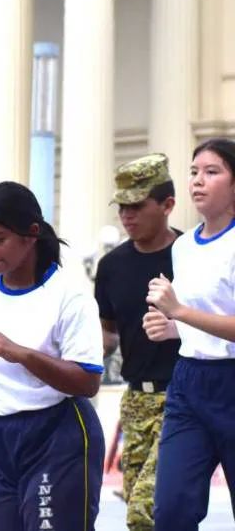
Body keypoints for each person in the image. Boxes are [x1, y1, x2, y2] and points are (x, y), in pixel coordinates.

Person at [0, 181, 105, 531]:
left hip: (56, 434)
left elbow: (88, 381)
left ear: (31, 234)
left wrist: (23, 354)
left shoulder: (69, 295)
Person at [143, 138, 235, 529]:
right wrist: (173, 328)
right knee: (171, 509)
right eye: (194, 172)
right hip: (188, 384)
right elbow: (205, 319)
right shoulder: (183, 247)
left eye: (212, 172)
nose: (198, 181)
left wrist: (179, 311)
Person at [93, 153, 181, 530]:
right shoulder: (111, 266)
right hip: (135, 399)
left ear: (167, 206)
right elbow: (108, 331)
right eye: (122, 208)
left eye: (136, 207)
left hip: (184, 395)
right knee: (145, 508)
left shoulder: (192, 254)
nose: (127, 216)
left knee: (146, 508)